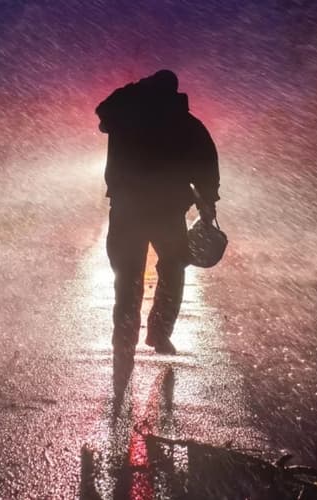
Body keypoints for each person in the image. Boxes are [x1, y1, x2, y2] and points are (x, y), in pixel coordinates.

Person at [95, 69, 220, 358]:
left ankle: (124, 338)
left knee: (127, 275)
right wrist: (208, 202)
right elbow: (206, 165)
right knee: (173, 271)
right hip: (168, 211)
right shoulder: (186, 123)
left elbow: (103, 112)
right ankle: (160, 334)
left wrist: (133, 88)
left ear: (146, 87)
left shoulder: (125, 116)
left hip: (127, 209)